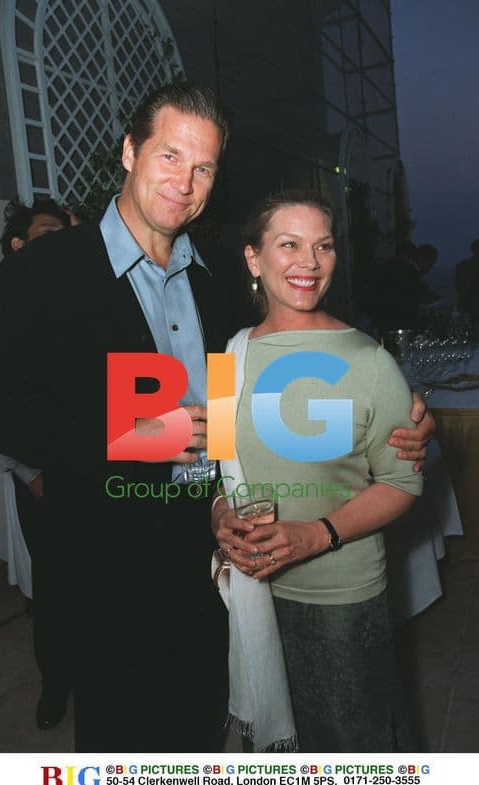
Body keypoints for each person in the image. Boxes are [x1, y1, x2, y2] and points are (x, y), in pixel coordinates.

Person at [0, 83, 433, 751]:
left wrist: (396, 408)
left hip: (212, 556)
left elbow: (270, 364)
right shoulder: (45, 270)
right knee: (125, 755)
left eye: (204, 168)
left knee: (203, 736)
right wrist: (125, 433)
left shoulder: (216, 276)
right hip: (105, 565)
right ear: (130, 152)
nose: (184, 182)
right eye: (169, 156)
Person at [211, 189, 424, 752]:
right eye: (289, 244)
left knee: (353, 755)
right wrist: (219, 515)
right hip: (252, 592)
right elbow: (218, 470)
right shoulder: (228, 358)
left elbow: (403, 482)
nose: (309, 261)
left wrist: (315, 534)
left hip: (340, 598)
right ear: (254, 258)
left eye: (323, 246)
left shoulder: (368, 360)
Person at [0, 196, 71, 730]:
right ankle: (56, 685)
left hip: (93, 472)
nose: (62, 243)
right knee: (54, 590)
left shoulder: (78, 305)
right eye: (48, 233)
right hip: (40, 480)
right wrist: (29, 472)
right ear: (19, 246)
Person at [455, 238, 479, 321]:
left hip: (467, 304)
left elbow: (459, 286)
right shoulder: (463, 265)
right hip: (468, 304)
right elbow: (460, 286)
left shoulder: (463, 265)